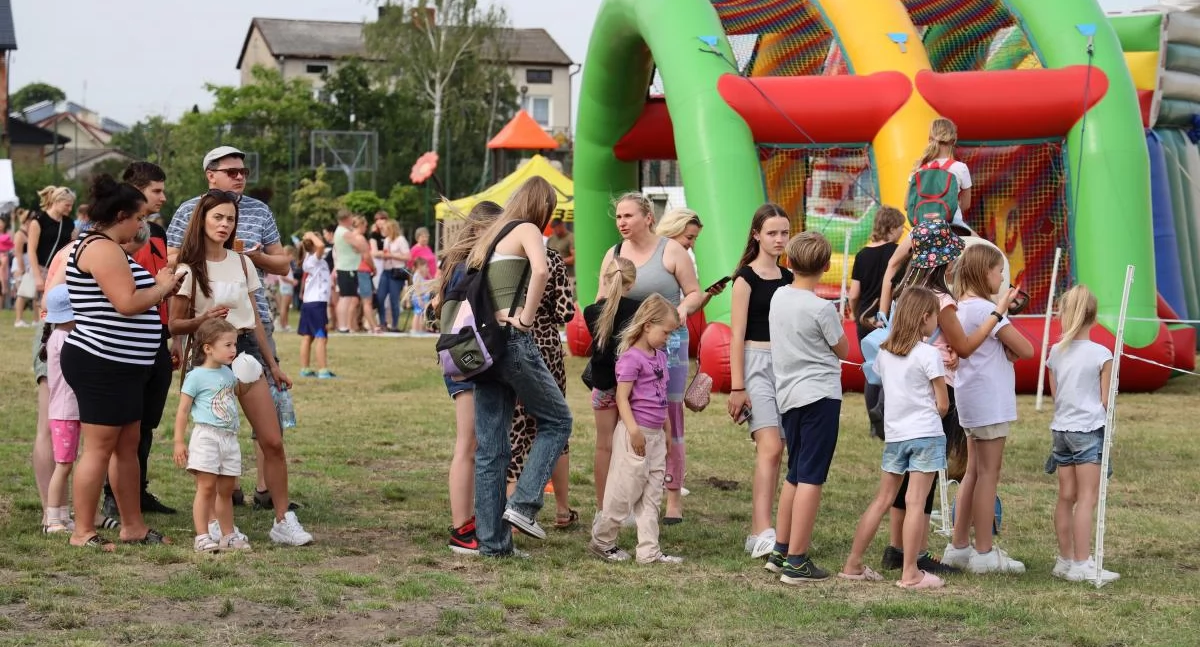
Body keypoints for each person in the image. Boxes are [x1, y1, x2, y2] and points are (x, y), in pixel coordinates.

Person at [169, 189, 312, 546]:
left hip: (246, 351)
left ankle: (282, 520)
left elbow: (257, 320)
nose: (224, 224)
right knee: (216, 443)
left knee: (272, 440)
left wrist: (272, 363)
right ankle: (217, 524)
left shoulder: (243, 262)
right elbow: (174, 324)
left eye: (230, 218)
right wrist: (203, 319)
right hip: (208, 358)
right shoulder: (189, 269)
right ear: (201, 219)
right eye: (217, 217)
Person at [62, 175, 180, 550]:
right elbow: (127, 304)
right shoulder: (100, 248)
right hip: (102, 362)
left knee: (127, 445)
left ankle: (133, 526)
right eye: (138, 218)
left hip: (124, 364)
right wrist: (162, 285)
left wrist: (161, 286)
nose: (142, 225)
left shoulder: (109, 247)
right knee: (98, 447)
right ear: (120, 215)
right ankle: (83, 532)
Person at [461, 177, 573, 557]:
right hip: (511, 341)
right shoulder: (525, 228)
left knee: (492, 448)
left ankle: (493, 545)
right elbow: (541, 272)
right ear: (541, 205)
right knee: (558, 421)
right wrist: (525, 318)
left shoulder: (490, 236)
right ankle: (524, 505)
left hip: (483, 346)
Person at [595, 194, 703, 524]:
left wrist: (683, 308)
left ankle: (672, 499)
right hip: (627, 349)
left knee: (668, 418)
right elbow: (600, 300)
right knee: (629, 419)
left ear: (648, 218)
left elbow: (694, 292)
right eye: (618, 217)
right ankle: (621, 501)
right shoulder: (613, 254)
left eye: (629, 215)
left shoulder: (672, 251)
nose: (622, 222)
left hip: (668, 347)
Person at [840, 287, 949, 590]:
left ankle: (853, 563)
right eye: (935, 317)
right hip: (925, 434)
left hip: (896, 436)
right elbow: (943, 404)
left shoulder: (885, 353)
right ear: (925, 317)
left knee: (883, 500)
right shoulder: (930, 354)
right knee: (915, 502)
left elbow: (881, 379)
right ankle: (911, 572)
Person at [944, 244, 1034, 574]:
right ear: (986, 273)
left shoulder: (960, 307)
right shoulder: (986, 310)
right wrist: (1003, 313)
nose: (1001, 279)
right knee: (989, 476)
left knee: (972, 472)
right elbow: (1026, 348)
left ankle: (959, 545)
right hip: (991, 402)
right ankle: (984, 551)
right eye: (999, 272)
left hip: (970, 399)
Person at [764, 231, 847, 584]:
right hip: (820, 396)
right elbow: (842, 349)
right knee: (812, 476)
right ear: (826, 267)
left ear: (789, 262)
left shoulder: (778, 296)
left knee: (795, 473)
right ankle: (797, 561)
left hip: (788, 397)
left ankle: (781, 550)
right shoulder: (822, 308)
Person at [99, 162, 179, 519]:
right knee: (118, 427)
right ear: (135, 192)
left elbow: (165, 284)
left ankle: (138, 491)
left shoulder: (158, 232)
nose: (163, 197)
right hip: (120, 341)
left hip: (156, 338)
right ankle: (112, 499)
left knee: (146, 423)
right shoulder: (109, 237)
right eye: (156, 191)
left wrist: (172, 334)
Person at [590, 294, 684, 564]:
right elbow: (622, 398)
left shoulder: (661, 358)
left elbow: (661, 395)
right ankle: (602, 541)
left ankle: (649, 551)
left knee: (652, 495)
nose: (668, 338)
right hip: (636, 435)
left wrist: (666, 430)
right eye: (665, 332)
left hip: (656, 438)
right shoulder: (631, 358)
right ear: (647, 326)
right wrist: (633, 431)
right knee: (623, 491)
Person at [725, 204, 793, 559]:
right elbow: (736, 336)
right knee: (769, 447)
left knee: (779, 448)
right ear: (756, 235)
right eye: (772, 233)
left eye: (784, 232)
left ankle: (765, 528)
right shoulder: (744, 279)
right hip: (755, 363)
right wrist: (739, 386)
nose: (779, 239)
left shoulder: (789, 278)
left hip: (787, 365)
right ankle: (760, 530)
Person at [436, 201, 503, 555]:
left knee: (471, 443)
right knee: (469, 443)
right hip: (467, 356)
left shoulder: (456, 264)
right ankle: (462, 527)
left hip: (459, 354)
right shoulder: (470, 266)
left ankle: (469, 522)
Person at [1046, 285, 1120, 584]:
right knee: (1087, 498)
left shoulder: (1055, 351)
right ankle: (1082, 563)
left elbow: (1056, 395)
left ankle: (1064, 560)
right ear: (1094, 316)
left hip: (1062, 429)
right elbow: (1106, 401)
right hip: (1088, 430)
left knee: (1066, 496)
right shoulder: (1102, 354)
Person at [506, 246, 576, 530]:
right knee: (555, 426)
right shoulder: (552, 257)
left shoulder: (503, 254)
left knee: (516, 428)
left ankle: (511, 513)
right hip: (546, 349)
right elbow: (565, 311)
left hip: (512, 346)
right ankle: (562, 510)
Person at [173, 318, 254, 553]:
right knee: (206, 488)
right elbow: (182, 411)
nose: (234, 350)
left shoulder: (229, 374)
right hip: (207, 437)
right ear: (208, 348)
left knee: (226, 490)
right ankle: (202, 536)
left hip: (229, 438)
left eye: (235, 345)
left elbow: (238, 392)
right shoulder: (196, 376)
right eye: (228, 345)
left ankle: (227, 534)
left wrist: (248, 376)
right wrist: (179, 441)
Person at [878, 118, 974, 312]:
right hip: (953, 227)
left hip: (921, 230)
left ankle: (883, 312)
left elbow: (907, 204)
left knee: (893, 264)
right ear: (954, 140)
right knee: (989, 254)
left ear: (930, 138)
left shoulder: (918, 169)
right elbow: (966, 204)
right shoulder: (960, 168)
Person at [584, 257, 641, 523]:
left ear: (605, 279)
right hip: (632, 389)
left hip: (603, 386)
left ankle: (601, 507)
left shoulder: (591, 312)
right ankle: (625, 507)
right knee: (628, 448)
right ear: (633, 282)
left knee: (604, 446)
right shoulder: (639, 311)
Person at [850, 206, 906, 442]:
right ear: (892, 229)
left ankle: (874, 425)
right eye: (901, 228)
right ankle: (886, 416)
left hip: (866, 318)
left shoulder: (862, 254)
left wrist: (856, 315)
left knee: (871, 368)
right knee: (892, 367)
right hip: (890, 316)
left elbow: (854, 293)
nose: (903, 233)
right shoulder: (899, 253)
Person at [41, 284, 80, 533]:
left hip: (68, 411)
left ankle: (62, 516)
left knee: (67, 464)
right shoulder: (64, 338)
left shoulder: (57, 336)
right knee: (63, 465)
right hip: (66, 411)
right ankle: (52, 518)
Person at [27, 186, 77, 298]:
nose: (70, 209)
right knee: (40, 305)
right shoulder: (39, 220)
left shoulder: (69, 223)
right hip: (41, 268)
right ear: (57, 201)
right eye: (67, 205)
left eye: (71, 206)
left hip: (59, 271)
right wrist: (37, 276)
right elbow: (31, 250)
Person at [298, 232, 335, 379]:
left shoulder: (311, 260)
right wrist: (311, 235)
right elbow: (320, 245)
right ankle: (323, 370)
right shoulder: (313, 259)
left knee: (308, 336)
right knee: (321, 336)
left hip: (311, 303)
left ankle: (305, 369)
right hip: (316, 303)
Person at [332, 210, 369, 333]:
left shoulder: (340, 231)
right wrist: (358, 247)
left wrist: (357, 248)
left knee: (346, 297)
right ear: (346, 219)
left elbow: (359, 247)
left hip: (346, 267)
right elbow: (363, 246)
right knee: (346, 297)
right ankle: (342, 326)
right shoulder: (345, 233)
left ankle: (342, 325)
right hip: (347, 268)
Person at [375, 219, 410, 332]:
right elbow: (386, 253)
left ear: (391, 229)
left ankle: (394, 325)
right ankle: (382, 323)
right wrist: (383, 255)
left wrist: (392, 255)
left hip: (396, 272)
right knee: (380, 297)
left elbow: (407, 257)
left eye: (385, 228)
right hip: (386, 271)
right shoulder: (387, 240)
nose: (383, 230)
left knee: (394, 299)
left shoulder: (401, 240)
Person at [354, 215, 382, 333]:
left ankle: (355, 324)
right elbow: (366, 256)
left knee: (357, 301)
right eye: (365, 226)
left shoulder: (350, 237)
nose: (366, 228)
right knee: (367, 300)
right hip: (363, 270)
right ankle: (373, 326)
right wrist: (373, 268)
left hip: (355, 269)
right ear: (360, 225)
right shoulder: (360, 238)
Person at [545, 217, 575, 296]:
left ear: (562, 225)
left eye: (556, 227)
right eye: (553, 228)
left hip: (568, 276)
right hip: (553, 277)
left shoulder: (571, 238)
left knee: (568, 298)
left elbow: (574, 258)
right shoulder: (551, 239)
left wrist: (558, 261)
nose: (555, 230)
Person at [407, 258, 434, 334]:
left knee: (420, 314)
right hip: (419, 297)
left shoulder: (419, 275)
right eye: (425, 266)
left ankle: (419, 329)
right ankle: (415, 329)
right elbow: (417, 288)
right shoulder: (417, 276)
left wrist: (428, 274)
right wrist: (419, 298)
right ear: (420, 266)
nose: (427, 268)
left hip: (422, 297)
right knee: (417, 313)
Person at [276, 246, 298, 332]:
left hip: (286, 286)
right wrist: (292, 282)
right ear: (289, 254)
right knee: (284, 307)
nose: (293, 258)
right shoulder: (284, 263)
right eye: (292, 256)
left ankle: (285, 324)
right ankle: (283, 325)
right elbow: (282, 277)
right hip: (286, 287)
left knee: (286, 307)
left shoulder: (285, 263)